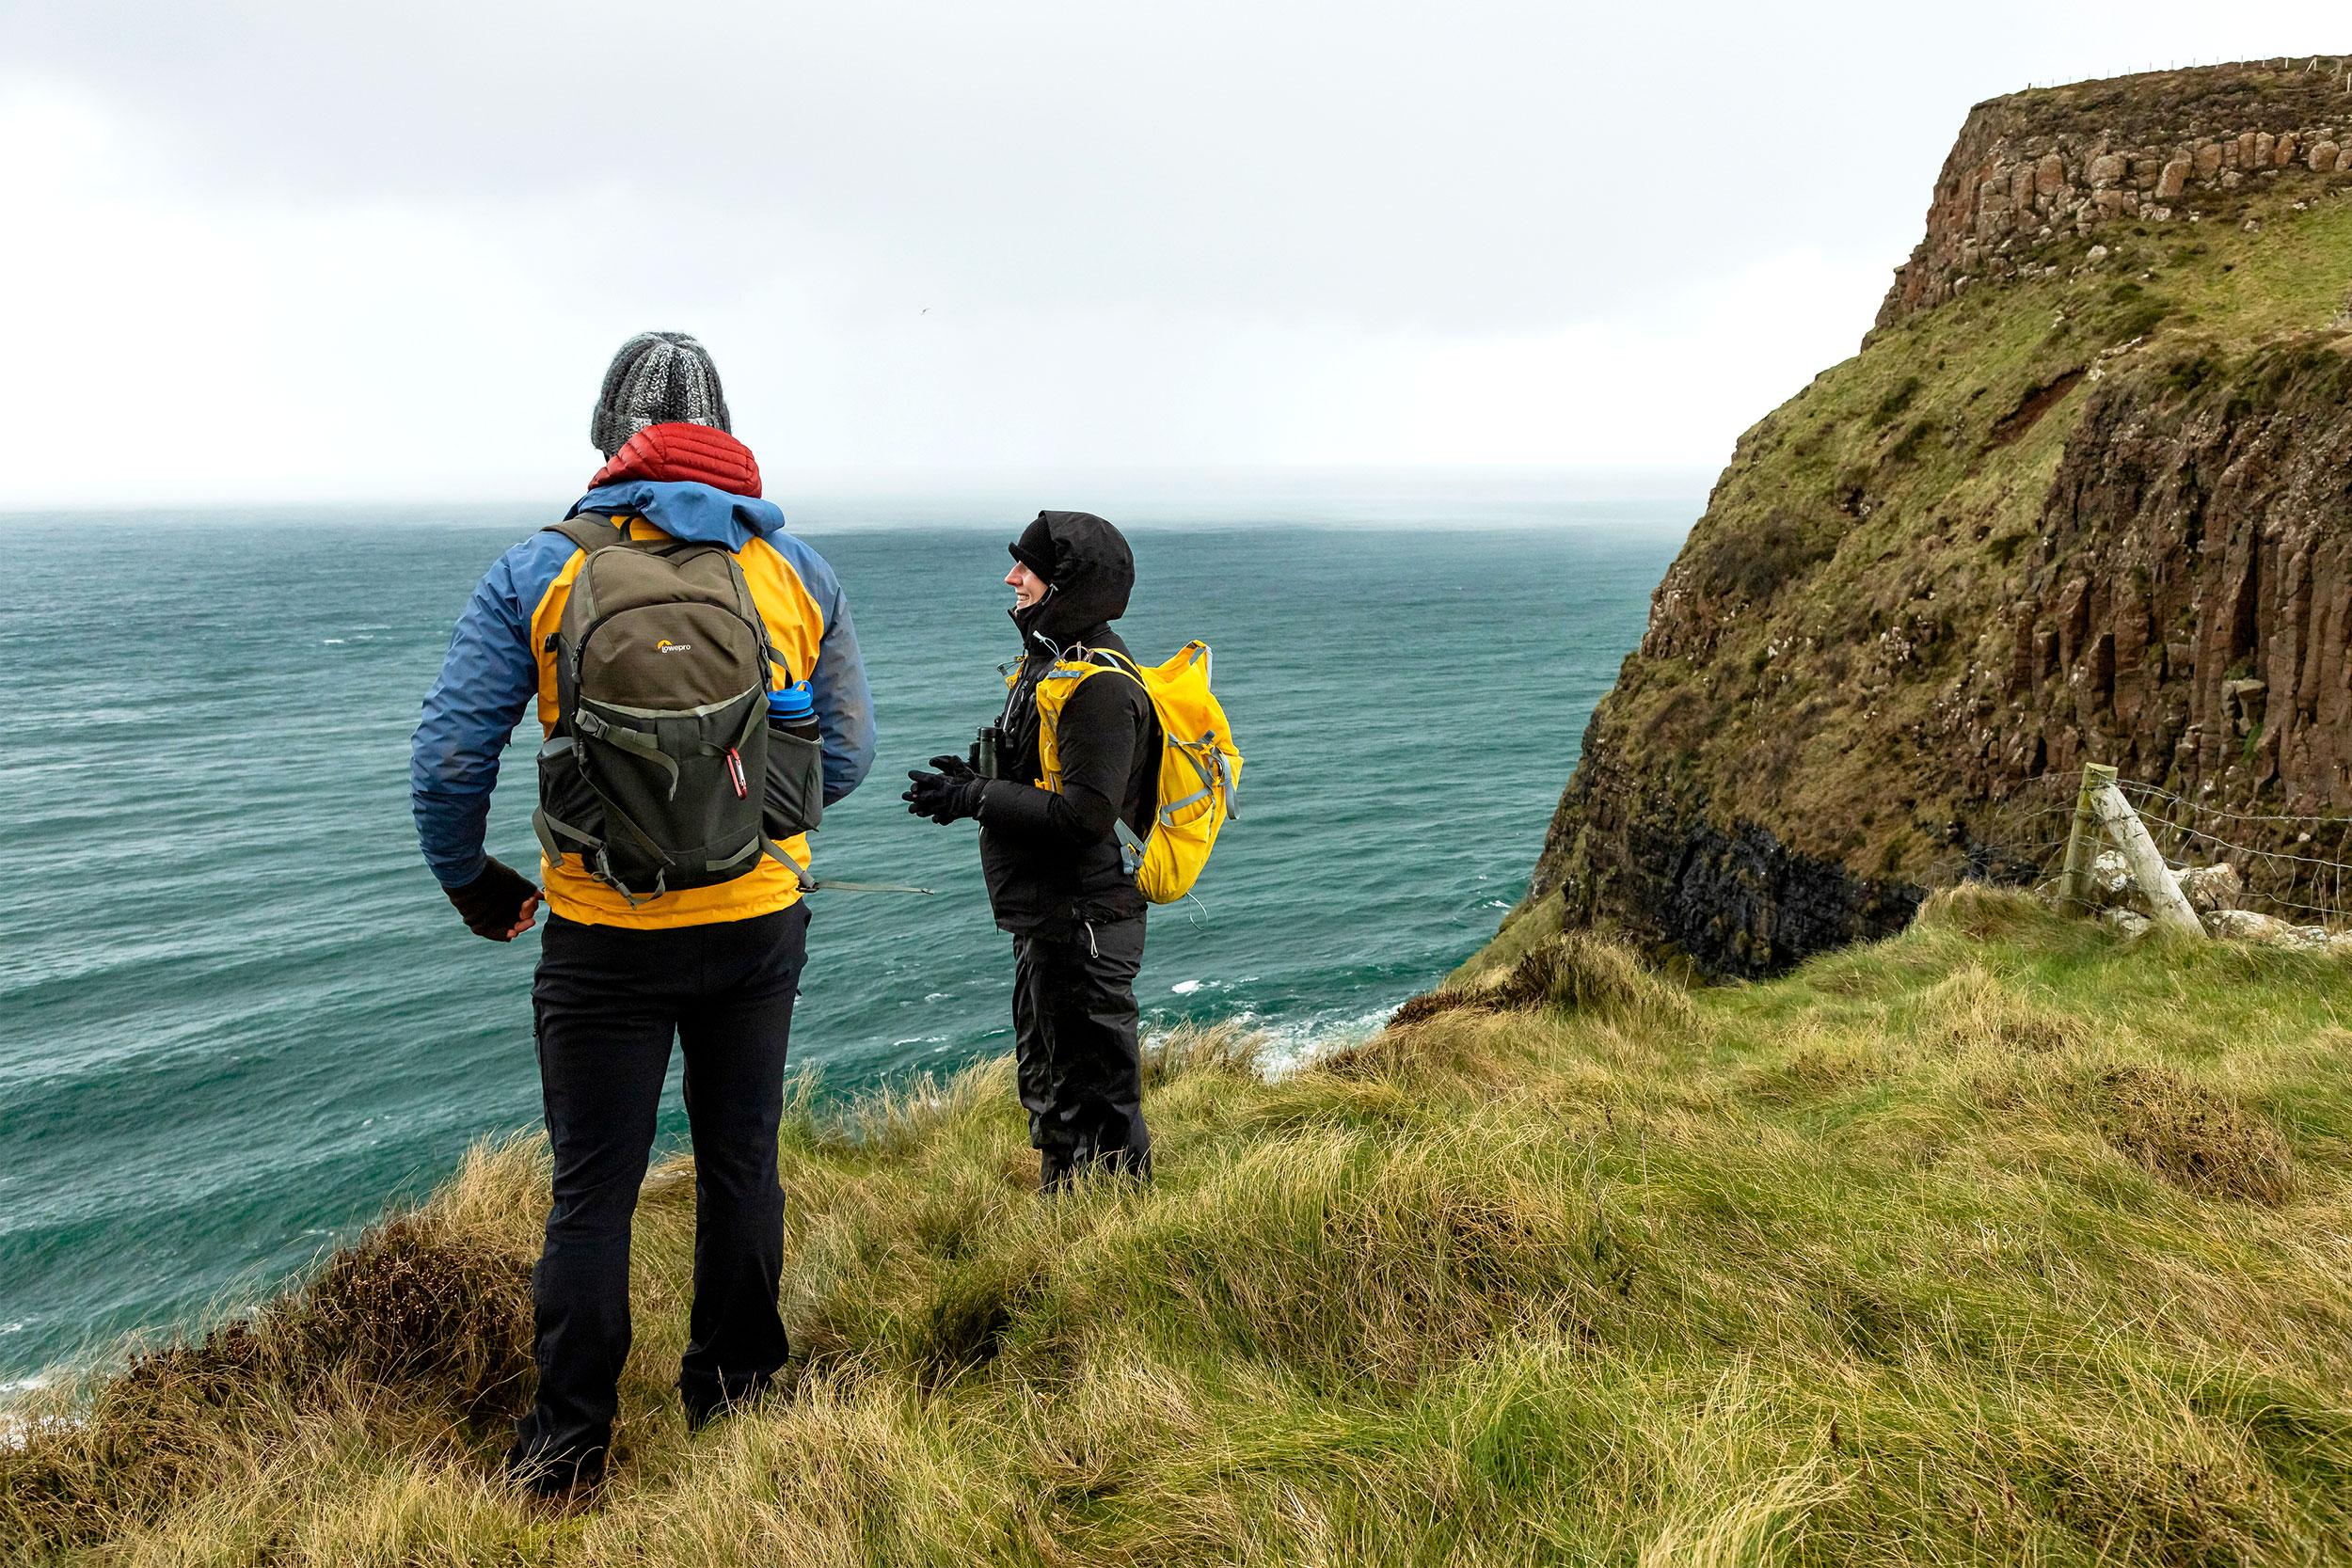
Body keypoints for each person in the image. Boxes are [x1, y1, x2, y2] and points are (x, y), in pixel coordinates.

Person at [408, 332, 874, 1503]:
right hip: (758, 921)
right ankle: (738, 1400)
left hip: (602, 935)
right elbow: (850, 759)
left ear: (608, 437)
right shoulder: (796, 570)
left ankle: (565, 1451)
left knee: (593, 1192)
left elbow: (451, 758)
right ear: (724, 433)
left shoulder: (539, 569)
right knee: (739, 1166)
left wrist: (477, 882)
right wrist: (739, 801)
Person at [903, 511, 1158, 1188]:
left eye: (1029, 567)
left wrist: (974, 799)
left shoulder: (1100, 685)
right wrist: (976, 781)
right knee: (1051, 1088)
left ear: (1066, 583)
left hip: (1087, 923)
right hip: (1052, 919)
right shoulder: (1052, 662)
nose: (1012, 577)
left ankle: (1118, 1245)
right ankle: (1066, 1229)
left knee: (1098, 1103)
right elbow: (1044, 780)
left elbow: (1084, 815)